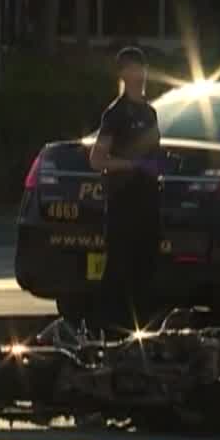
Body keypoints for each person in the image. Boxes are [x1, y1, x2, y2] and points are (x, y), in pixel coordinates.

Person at [88, 46, 163, 332]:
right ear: (122, 74)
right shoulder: (115, 114)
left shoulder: (150, 112)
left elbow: (154, 152)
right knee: (120, 268)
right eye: (132, 69)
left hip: (148, 200)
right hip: (123, 202)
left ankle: (144, 332)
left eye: (141, 68)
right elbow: (97, 159)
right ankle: (110, 329)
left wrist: (159, 165)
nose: (139, 74)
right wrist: (131, 165)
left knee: (147, 267)